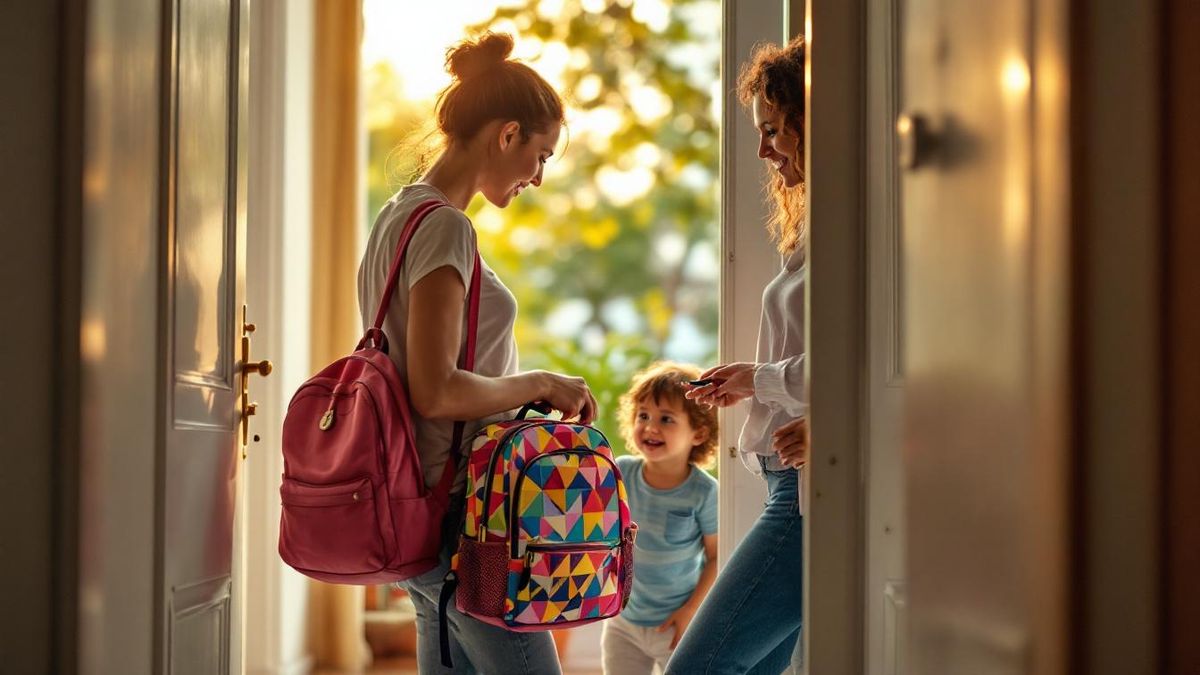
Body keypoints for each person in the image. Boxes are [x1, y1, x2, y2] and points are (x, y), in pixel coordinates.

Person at [356, 32, 597, 675]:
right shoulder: (444, 226)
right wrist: (541, 383)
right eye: (539, 156)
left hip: (417, 503)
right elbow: (435, 389)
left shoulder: (398, 214)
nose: (537, 178)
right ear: (507, 134)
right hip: (459, 515)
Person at [666, 34, 809, 675]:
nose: (762, 150)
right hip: (789, 479)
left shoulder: (863, 231)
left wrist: (760, 377)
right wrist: (755, 383)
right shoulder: (817, 229)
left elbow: (868, 366)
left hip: (808, 491)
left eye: (773, 129)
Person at [602, 362, 720, 675]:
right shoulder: (621, 472)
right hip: (622, 621)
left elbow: (716, 557)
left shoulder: (704, 492)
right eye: (643, 415)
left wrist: (690, 611)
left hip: (676, 625)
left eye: (666, 419)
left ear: (699, 433)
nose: (650, 427)